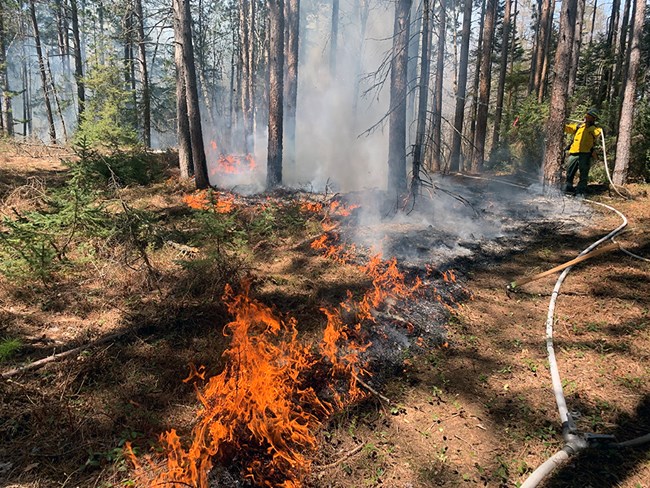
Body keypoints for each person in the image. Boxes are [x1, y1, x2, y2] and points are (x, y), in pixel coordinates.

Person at [563, 108, 602, 196]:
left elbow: (597, 134)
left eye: (589, 117)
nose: (586, 117)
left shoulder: (595, 129)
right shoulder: (579, 127)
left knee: (583, 173)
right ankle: (568, 188)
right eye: (586, 116)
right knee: (570, 171)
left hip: (585, 154)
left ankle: (580, 191)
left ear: (594, 119)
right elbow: (568, 129)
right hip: (574, 152)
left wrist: (589, 126)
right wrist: (561, 122)